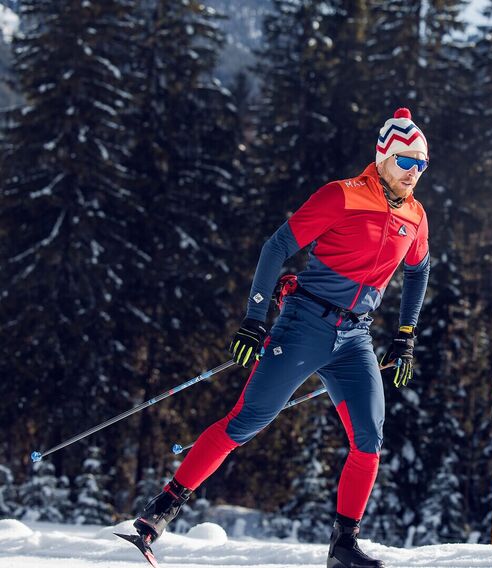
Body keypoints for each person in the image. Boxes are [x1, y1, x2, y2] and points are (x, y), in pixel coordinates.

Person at [129, 108, 431, 568]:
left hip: (355, 339)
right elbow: (277, 246)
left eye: (422, 164)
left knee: (369, 440)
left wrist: (406, 334)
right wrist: (254, 318)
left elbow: (418, 269)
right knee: (245, 422)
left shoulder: (415, 214)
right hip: (305, 324)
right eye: (406, 161)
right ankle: (160, 512)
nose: (414, 172)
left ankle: (343, 546)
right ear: (383, 156)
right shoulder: (342, 195)